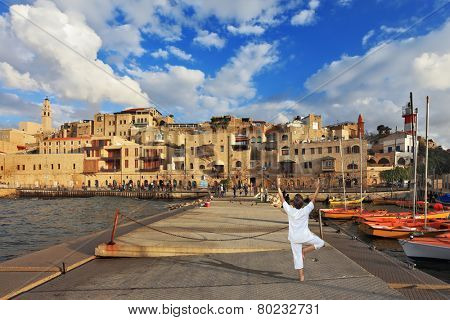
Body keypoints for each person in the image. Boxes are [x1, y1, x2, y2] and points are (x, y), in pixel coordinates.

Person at [277, 177, 324, 282]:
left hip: (294, 238)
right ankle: (305, 251)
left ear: (293, 204)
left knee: (297, 257)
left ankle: (301, 277)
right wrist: (317, 187)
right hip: (305, 236)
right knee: (320, 243)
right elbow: (314, 198)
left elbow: (282, 198)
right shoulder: (306, 210)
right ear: (302, 203)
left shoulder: (290, 210)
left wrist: (278, 186)